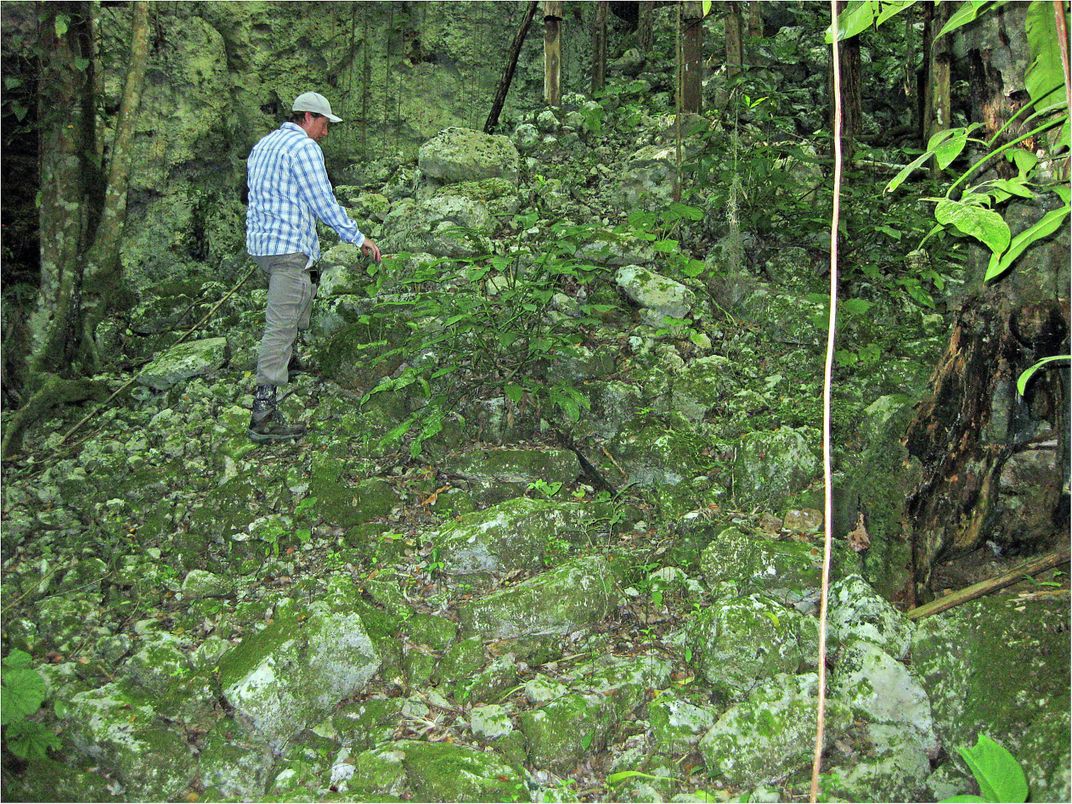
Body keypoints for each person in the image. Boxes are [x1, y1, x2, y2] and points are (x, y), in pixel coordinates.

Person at [245, 91, 382, 443]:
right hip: (288, 248)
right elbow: (323, 200)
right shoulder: (304, 149)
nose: (325, 133)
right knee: (280, 323)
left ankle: (290, 359)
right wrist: (357, 237)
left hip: (264, 247)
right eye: (323, 124)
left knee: (306, 284)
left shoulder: (264, 145)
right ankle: (263, 411)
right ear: (307, 117)